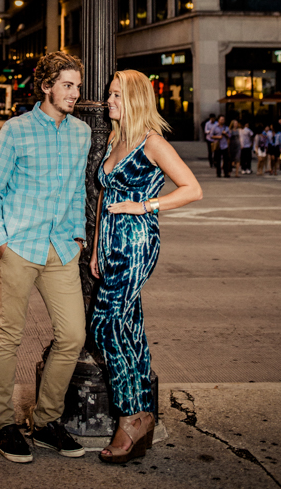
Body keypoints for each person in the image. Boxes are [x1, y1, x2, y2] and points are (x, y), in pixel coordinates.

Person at [0, 51, 90, 465]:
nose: (75, 93)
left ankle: (45, 421)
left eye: (77, 86)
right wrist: (1, 241)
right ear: (46, 86)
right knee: (10, 335)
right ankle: (2, 423)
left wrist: (78, 234)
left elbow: (78, 189)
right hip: (21, 247)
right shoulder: (16, 131)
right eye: (67, 85)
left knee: (73, 335)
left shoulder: (81, 133)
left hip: (61, 248)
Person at [90, 70, 202, 464]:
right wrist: (95, 251)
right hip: (110, 244)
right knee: (129, 324)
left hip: (137, 242)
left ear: (135, 99)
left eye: (116, 95)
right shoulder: (114, 138)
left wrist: (144, 205)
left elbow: (192, 188)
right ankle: (143, 414)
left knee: (105, 326)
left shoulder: (152, 143)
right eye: (109, 95)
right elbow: (106, 194)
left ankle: (131, 414)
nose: (109, 102)